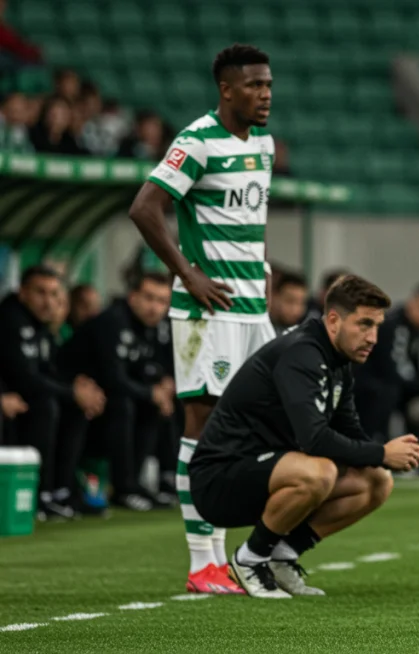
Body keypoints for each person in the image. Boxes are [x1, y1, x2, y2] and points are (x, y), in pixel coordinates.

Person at [128, 43, 276, 595]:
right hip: (206, 311)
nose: (265, 94)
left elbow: (245, 218)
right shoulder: (196, 141)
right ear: (226, 89)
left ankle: (229, 556)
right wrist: (187, 273)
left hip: (251, 308)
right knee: (203, 429)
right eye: (255, 85)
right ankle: (201, 561)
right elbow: (145, 206)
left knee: (251, 427)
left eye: (269, 85)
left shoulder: (262, 143)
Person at [188, 275, 419, 598]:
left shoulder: (338, 360)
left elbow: (349, 430)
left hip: (266, 472)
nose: (373, 337)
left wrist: (384, 457)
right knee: (319, 472)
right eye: (364, 324)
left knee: (376, 481)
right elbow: (315, 439)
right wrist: (382, 453)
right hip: (219, 478)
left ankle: (282, 556)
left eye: (377, 326)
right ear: (333, 320)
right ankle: (249, 560)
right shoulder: (302, 353)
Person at [58, 271, 176, 511]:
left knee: (158, 403)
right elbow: (113, 378)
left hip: (105, 400)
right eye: (149, 298)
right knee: (127, 403)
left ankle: (157, 480)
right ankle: (122, 488)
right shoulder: (113, 321)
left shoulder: (154, 328)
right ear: (133, 297)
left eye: (162, 301)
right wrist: (151, 392)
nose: (155, 307)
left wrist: (163, 384)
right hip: (74, 397)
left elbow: (150, 368)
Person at [0, 265, 105, 520]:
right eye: (41, 293)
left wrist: (77, 388)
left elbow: (47, 369)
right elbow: (25, 378)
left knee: (74, 406)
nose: (48, 302)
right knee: (47, 404)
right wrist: (71, 392)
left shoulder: (40, 324)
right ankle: (39, 493)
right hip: (12, 397)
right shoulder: (10, 319)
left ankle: (62, 490)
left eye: (54, 294)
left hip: (23, 396)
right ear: (23, 292)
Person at [355, 282, 419, 475]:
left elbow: (414, 365)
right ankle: (381, 453)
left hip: (389, 385)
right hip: (367, 385)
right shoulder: (393, 325)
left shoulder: (416, 331)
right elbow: (391, 368)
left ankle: (417, 458)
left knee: (409, 399)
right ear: (412, 302)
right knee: (389, 393)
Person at [269, 268, 309, 335]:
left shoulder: (304, 332)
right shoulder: (263, 328)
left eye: (301, 303)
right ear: (275, 297)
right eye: (290, 301)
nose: (296, 310)